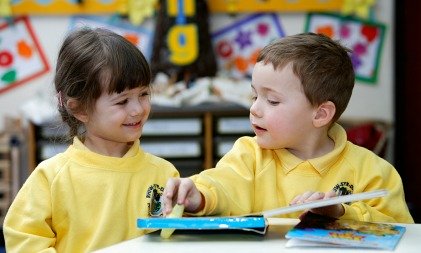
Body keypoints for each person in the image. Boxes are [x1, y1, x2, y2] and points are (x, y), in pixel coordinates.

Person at [163, 32, 414, 223]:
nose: (255, 109)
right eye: (254, 97)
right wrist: (199, 197)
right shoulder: (249, 155)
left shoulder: (374, 172)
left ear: (321, 114)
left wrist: (340, 212)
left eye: (272, 101)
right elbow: (222, 185)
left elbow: (399, 231)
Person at [3, 28, 180, 252]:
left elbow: (174, 241)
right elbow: (24, 241)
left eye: (144, 94)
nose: (138, 109)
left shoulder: (165, 174)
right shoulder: (51, 177)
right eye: (122, 101)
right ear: (79, 109)